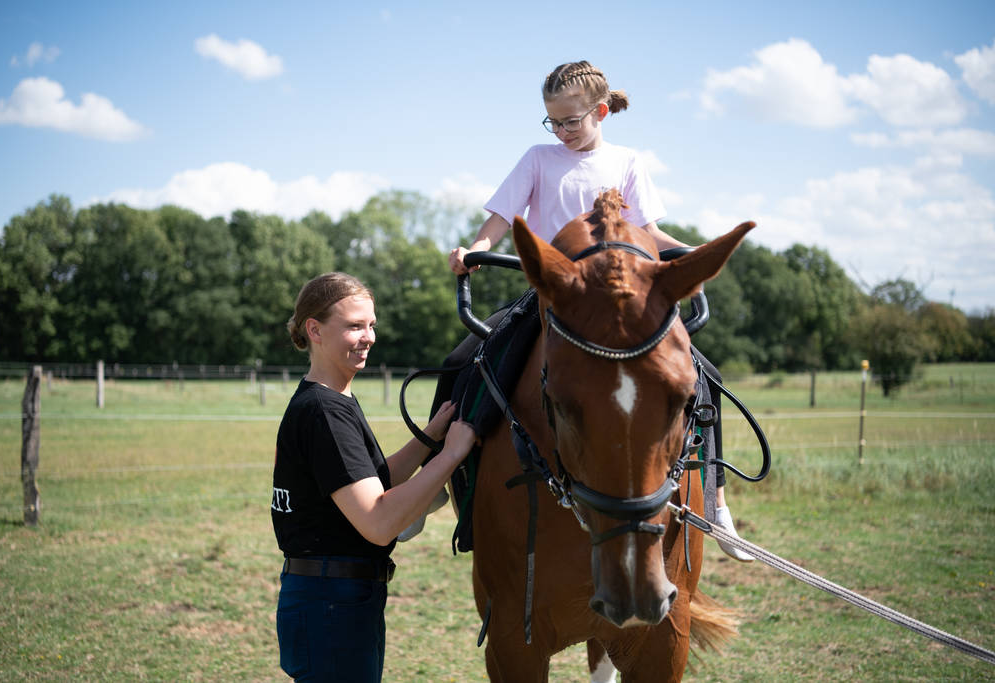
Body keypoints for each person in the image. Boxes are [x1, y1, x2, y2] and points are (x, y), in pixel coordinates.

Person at [448, 60, 753, 562]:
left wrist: (693, 253)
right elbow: (501, 217)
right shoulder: (538, 159)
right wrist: (475, 247)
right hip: (555, 294)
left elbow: (649, 233)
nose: (561, 131)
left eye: (571, 121)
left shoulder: (628, 161)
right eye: (553, 122)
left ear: (602, 111)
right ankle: (452, 485)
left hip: (620, 299)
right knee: (468, 360)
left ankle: (716, 502)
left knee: (704, 376)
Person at [271, 272, 478, 682]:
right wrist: (452, 454)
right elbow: (379, 522)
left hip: (337, 598)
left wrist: (429, 437)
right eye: (353, 326)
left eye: (371, 325)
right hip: (331, 603)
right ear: (314, 329)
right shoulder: (324, 412)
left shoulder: (334, 399)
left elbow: (373, 482)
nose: (369, 337)